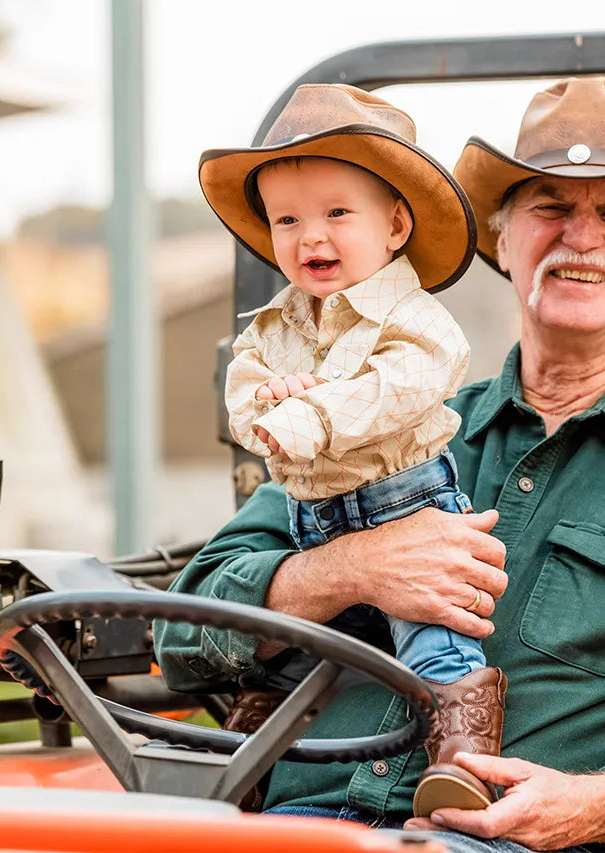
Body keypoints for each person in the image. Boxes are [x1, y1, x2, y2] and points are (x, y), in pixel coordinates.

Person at [158, 77, 605, 853]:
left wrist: (596, 802)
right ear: (504, 240)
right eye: (550, 207)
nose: (581, 236)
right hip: (301, 829)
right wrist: (350, 568)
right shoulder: (373, 428)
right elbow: (184, 633)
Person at [197, 82, 508, 815]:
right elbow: (245, 382)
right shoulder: (275, 324)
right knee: (292, 644)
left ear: (395, 225)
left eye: (338, 212)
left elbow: (402, 385)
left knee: (434, 623)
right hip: (313, 513)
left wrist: (307, 414)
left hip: (405, 499)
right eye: (288, 219)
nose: (312, 236)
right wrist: (264, 410)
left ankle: (463, 746)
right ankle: (252, 737)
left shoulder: (417, 320)